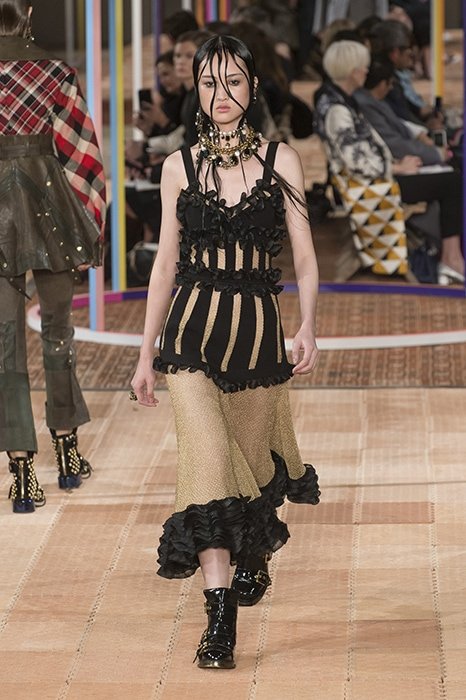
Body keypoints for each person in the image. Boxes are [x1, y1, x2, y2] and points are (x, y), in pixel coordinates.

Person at [131, 34, 320, 669]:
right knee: (208, 469)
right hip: (189, 341)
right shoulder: (177, 167)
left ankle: (255, 552)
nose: (220, 94)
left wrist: (308, 325)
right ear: (196, 89)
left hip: (258, 344)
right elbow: (164, 266)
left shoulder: (281, 161)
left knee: (253, 468)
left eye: (233, 81)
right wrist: (145, 354)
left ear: (252, 87)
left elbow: (304, 256)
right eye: (210, 82)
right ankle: (219, 623)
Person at [0, 1, 106, 512]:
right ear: (29, 12)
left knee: (4, 341)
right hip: (52, 210)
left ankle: (21, 471)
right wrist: (92, 225)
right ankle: (66, 450)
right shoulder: (57, 72)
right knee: (58, 331)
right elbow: (82, 157)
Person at [314, 40, 464, 283]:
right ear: (352, 71)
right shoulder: (338, 110)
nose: (366, 71)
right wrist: (397, 167)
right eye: (363, 66)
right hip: (372, 185)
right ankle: (451, 258)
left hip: (374, 177)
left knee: (448, 178)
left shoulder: (339, 101)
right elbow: (356, 160)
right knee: (451, 182)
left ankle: (445, 253)